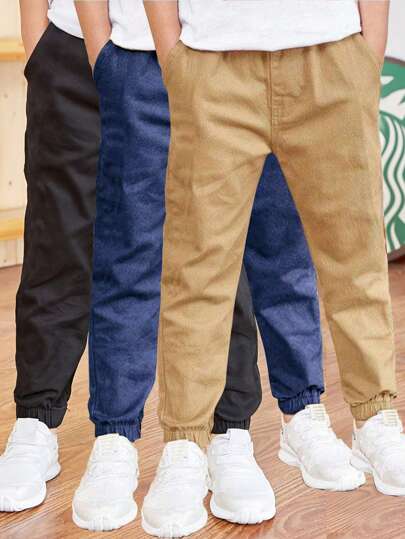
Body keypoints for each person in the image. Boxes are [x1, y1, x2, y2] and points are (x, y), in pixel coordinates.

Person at [70, 0, 359, 533]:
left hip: (250, 51)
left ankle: (230, 433)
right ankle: (114, 439)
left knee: (258, 247)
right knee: (130, 253)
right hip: (139, 56)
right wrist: (101, 50)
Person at [143, 0, 405, 536]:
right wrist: (174, 56)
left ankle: (374, 417)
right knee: (197, 270)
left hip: (331, 53)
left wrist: (367, 49)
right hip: (212, 60)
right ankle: (185, 446)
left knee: (355, 256)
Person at [0, 0, 258, 515]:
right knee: (59, 236)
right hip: (74, 49)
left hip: (204, 45)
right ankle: (37, 421)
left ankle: (227, 430)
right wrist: (39, 38)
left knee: (217, 239)